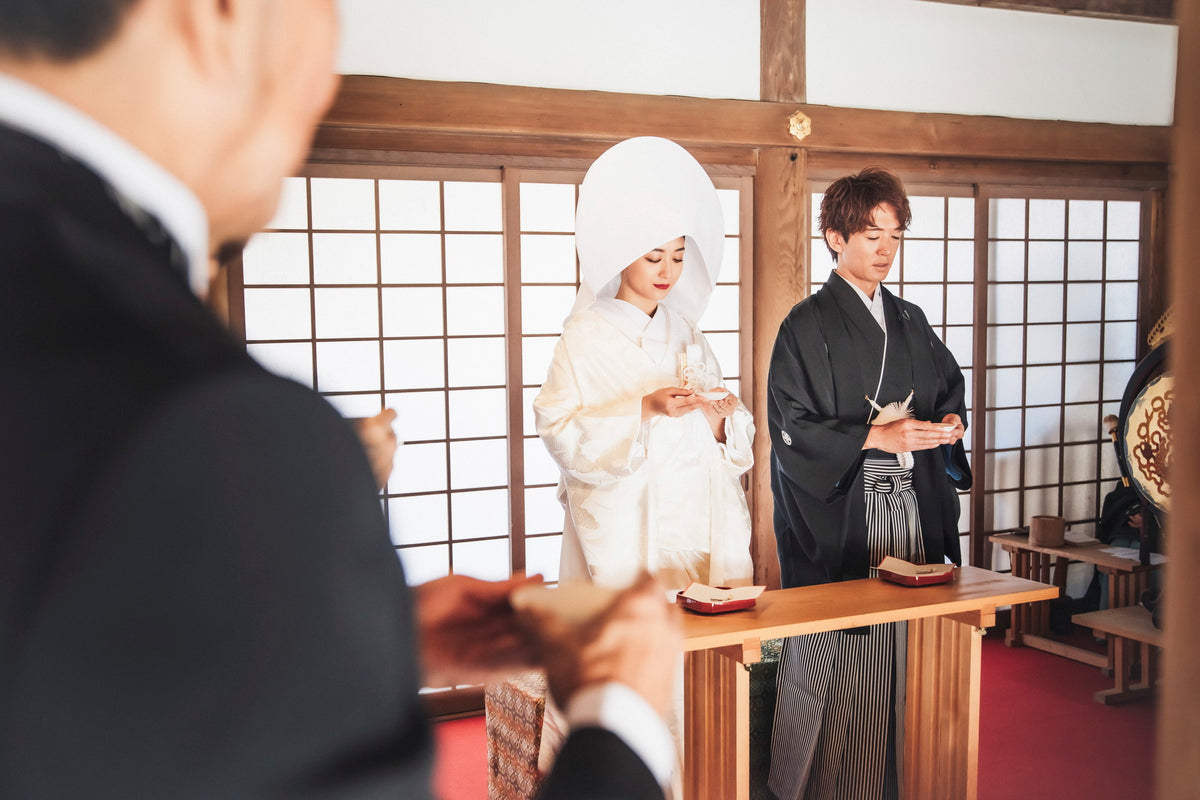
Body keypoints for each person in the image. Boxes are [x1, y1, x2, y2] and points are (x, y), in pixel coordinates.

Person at [0, 3, 679, 798]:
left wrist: (352, 634)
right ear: (216, 15)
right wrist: (621, 718)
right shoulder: (214, 429)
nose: (325, 86)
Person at [765, 166, 971, 800]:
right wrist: (876, 437)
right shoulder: (805, 325)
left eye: (894, 234)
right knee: (837, 661)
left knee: (901, 656)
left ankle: (892, 787)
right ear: (834, 237)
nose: (884, 249)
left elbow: (945, 387)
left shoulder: (909, 318)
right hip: (845, 509)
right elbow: (789, 426)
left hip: (907, 509)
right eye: (869, 235)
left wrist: (945, 425)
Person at [534, 136, 755, 593]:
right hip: (628, 520)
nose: (667, 272)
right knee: (634, 648)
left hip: (695, 512)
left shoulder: (688, 331)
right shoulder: (584, 336)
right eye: (654, 257)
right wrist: (645, 409)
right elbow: (556, 426)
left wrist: (720, 420)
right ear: (622, 256)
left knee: (702, 643)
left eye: (677, 257)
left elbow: (732, 432)